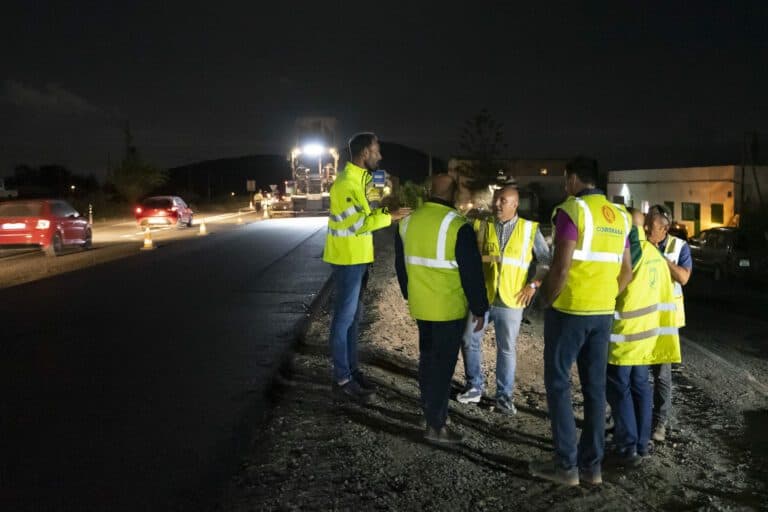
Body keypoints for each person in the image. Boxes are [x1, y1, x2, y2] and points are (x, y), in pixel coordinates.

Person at [530, 156, 633, 487]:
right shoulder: (621, 216)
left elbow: (560, 268)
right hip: (602, 314)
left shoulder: (571, 210)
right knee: (594, 389)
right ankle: (592, 468)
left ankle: (566, 466)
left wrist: (544, 300)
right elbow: (627, 271)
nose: (564, 186)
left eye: (565, 180)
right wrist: (604, 297)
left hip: (570, 311)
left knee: (558, 385)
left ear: (573, 179)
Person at [395, 174, 489, 444]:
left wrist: (409, 293)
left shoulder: (407, 222)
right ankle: (436, 427)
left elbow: (401, 267)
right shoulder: (458, 226)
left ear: (429, 191)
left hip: (421, 306)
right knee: (443, 368)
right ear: (454, 195)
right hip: (448, 309)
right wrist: (480, 307)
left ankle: (428, 413)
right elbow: (472, 274)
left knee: (427, 362)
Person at [456, 185, 551, 414]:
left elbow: (546, 261)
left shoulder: (529, 229)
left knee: (506, 349)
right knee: (469, 338)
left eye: (503, 200)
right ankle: (474, 386)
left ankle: (504, 398)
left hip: (511, 300)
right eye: (496, 199)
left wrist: (533, 285)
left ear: (515, 204)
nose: (497, 204)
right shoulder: (481, 225)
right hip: (484, 297)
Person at [606, 212, 681, 469]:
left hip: (624, 335)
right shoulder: (657, 258)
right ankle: (641, 443)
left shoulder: (632, 253)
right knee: (641, 387)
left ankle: (627, 447)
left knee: (619, 387)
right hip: (647, 338)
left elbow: (615, 288)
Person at [323, 132, 392, 403]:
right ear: (365, 153)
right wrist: (391, 216)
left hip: (361, 257)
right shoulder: (344, 185)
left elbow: (372, 210)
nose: (380, 155)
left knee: (354, 319)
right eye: (377, 150)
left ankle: (352, 371)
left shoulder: (365, 179)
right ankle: (341, 380)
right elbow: (359, 223)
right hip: (347, 259)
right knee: (343, 320)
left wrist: (380, 193)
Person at [645, 204, 692, 442]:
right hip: (640, 317)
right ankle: (634, 420)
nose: (645, 228)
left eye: (650, 225)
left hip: (665, 320)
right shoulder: (641, 244)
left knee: (662, 375)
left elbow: (683, 277)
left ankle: (659, 423)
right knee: (636, 373)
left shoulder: (679, 247)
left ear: (664, 228)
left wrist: (660, 258)